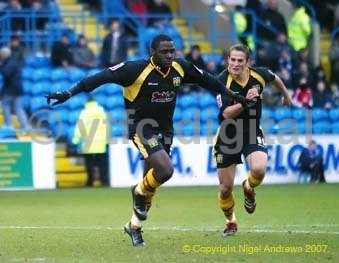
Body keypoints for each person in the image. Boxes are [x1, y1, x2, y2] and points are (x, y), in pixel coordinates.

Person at [46, 34, 253, 247]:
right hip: (141, 127)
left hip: (166, 131)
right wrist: (69, 93)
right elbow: (99, 78)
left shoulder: (180, 68)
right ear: (152, 52)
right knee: (165, 170)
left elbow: (208, 80)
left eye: (172, 51)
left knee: (150, 185)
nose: (170, 55)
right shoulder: (134, 69)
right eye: (164, 51)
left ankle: (134, 226)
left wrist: (233, 95)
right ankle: (137, 192)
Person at [214, 44, 292, 236]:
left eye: (240, 60)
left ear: (248, 62)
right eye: (232, 60)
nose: (235, 64)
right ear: (228, 60)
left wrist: (286, 95)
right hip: (228, 135)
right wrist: (246, 101)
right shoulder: (221, 81)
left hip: (251, 131)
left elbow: (275, 78)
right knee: (225, 189)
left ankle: (248, 187)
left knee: (258, 169)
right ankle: (230, 221)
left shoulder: (259, 75)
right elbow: (226, 114)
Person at [72, 96, 109, 187]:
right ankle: (104, 181)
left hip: (87, 143)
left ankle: (90, 181)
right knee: (102, 164)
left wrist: (75, 140)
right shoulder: (102, 111)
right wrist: (107, 140)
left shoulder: (84, 113)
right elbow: (107, 126)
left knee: (89, 164)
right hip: (101, 142)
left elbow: (80, 128)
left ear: (87, 103)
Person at [0, 47, 29, 129]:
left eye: (1, 55)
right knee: (18, 108)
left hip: (11, 89)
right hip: (16, 89)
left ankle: (8, 124)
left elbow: (6, 73)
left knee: (6, 105)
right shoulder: (12, 61)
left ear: (4, 55)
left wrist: (1, 66)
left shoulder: (10, 62)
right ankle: (25, 126)